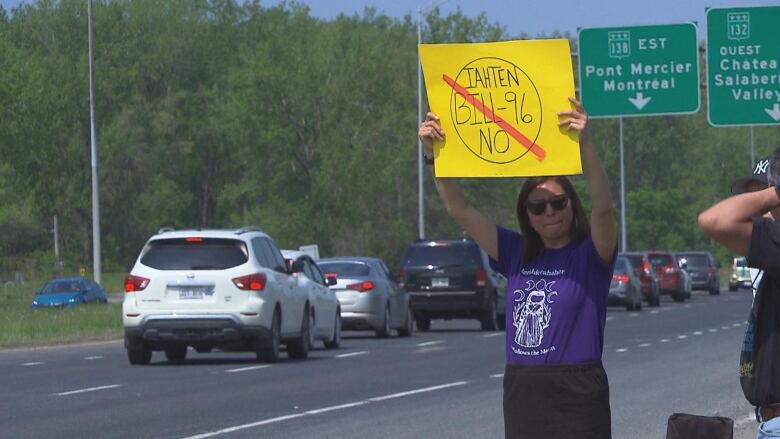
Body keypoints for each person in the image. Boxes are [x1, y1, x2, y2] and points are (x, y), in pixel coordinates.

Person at [418, 97, 617, 438]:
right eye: (538, 207)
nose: (550, 212)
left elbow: (603, 208)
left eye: (558, 203)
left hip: (580, 389)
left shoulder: (591, 255)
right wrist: (434, 154)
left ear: (572, 206)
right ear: (526, 215)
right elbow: (460, 210)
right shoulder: (515, 252)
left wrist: (586, 144)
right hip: (524, 388)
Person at [698, 149, 780, 439]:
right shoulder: (767, 257)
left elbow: (715, 220)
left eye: (760, 198)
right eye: (749, 200)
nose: (753, 211)